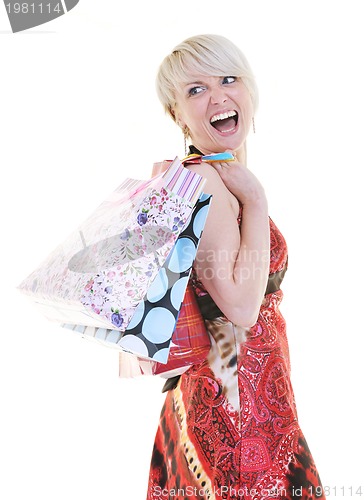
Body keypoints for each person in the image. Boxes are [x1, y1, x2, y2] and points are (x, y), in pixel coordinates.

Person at [146, 34, 325, 500]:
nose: (219, 95)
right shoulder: (206, 178)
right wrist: (257, 196)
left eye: (229, 79)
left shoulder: (213, 173)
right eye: (195, 90)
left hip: (242, 397)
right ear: (176, 115)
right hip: (236, 407)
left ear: (248, 89)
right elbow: (242, 306)